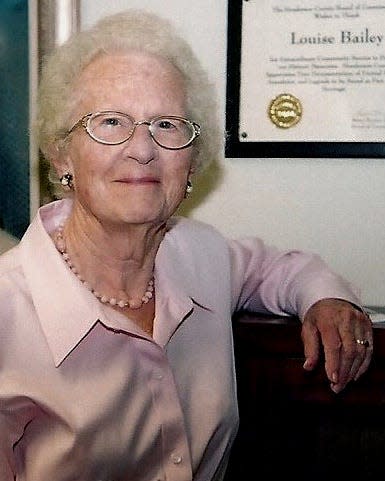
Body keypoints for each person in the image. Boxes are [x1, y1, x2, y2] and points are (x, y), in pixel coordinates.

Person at [0, 9, 372, 481]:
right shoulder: (7, 312)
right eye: (111, 122)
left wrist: (328, 298)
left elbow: (281, 270)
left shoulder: (202, 255)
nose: (143, 148)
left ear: (193, 162)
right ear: (61, 153)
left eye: (168, 125)